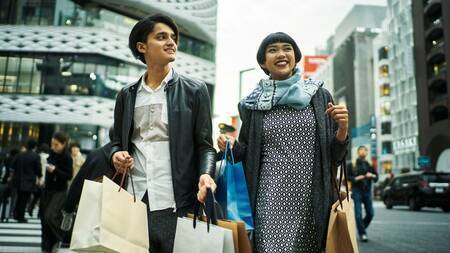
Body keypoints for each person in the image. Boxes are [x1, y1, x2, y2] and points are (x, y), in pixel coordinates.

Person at [217, 32, 349, 252]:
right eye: (273, 50)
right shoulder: (252, 105)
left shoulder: (319, 96)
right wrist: (230, 146)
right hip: (269, 199)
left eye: (287, 48)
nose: (281, 54)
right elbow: (247, 154)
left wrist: (343, 129)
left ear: (295, 57)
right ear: (263, 62)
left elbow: (335, 155)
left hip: (312, 198)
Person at [110, 14, 216, 253]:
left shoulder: (195, 90)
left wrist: (206, 175)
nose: (171, 42)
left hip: (178, 201)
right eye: (161, 37)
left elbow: (205, 146)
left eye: (173, 37)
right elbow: (117, 142)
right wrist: (116, 155)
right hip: (135, 199)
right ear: (142, 47)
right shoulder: (126, 95)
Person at [40, 132, 73, 253]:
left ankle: (63, 237)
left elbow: (68, 176)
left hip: (60, 191)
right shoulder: (51, 154)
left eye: (56, 144)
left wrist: (55, 170)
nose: (53, 147)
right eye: (52, 144)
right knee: (44, 218)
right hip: (47, 190)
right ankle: (47, 246)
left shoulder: (67, 158)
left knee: (50, 216)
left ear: (64, 144)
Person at [348, 146, 378, 242]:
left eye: (365, 150)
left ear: (367, 152)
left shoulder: (370, 164)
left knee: (371, 213)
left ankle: (361, 228)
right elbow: (347, 177)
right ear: (358, 152)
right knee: (358, 214)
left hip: (367, 191)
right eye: (361, 150)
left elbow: (376, 178)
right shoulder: (352, 164)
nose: (363, 151)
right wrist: (356, 178)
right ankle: (362, 233)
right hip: (357, 191)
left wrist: (372, 175)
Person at [10, 139, 42, 223]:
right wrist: (39, 176)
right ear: (35, 147)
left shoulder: (20, 154)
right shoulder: (35, 156)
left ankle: (16, 214)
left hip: (18, 179)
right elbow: (38, 169)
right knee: (24, 199)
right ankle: (20, 217)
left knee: (19, 197)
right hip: (29, 180)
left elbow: (12, 165)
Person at [28, 143, 50, 217]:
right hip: (44, 178)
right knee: (42, 198)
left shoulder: (37, 156)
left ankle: (30, 208)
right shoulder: (48, 157)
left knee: (36, 196)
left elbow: (37, 168)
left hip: (37, 178)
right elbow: (45, 169)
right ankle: (39, 213)